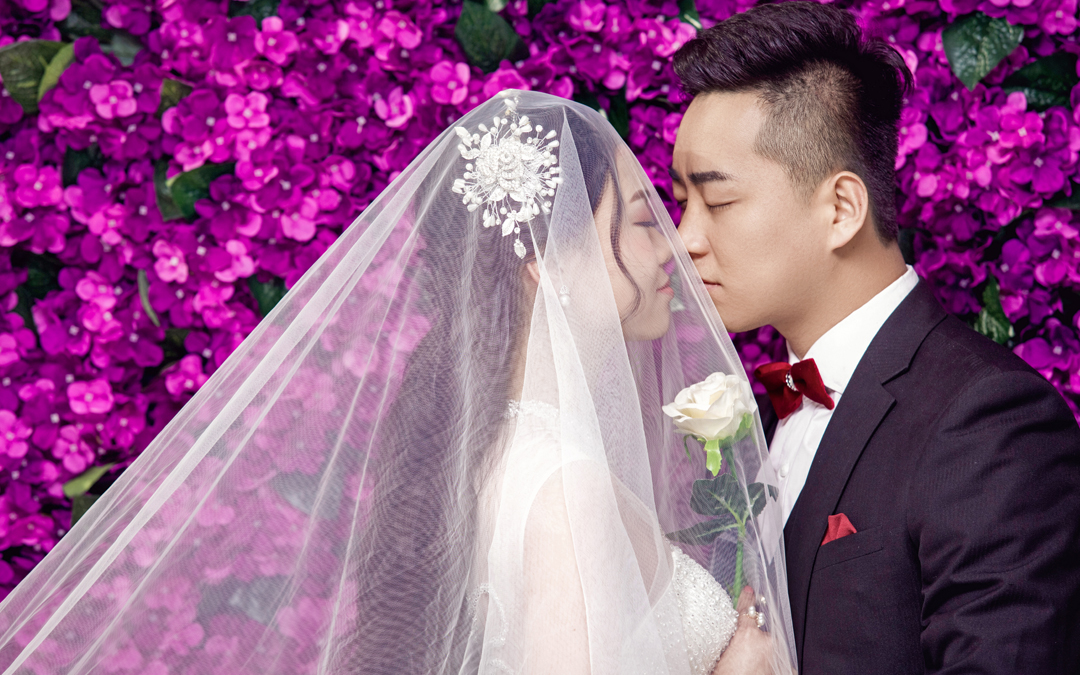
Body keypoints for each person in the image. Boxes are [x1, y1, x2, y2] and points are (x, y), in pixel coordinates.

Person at [0, 92, 795, 674]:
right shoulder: (565, 485)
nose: (673, 248)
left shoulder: (492, 454)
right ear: (544, 259)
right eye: (645, 220)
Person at [670, 3, 1080, 674]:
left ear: (840, 209)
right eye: (682, 201)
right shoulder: (769, 411)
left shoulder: (988, 421)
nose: (686, 237)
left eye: (717, 202)